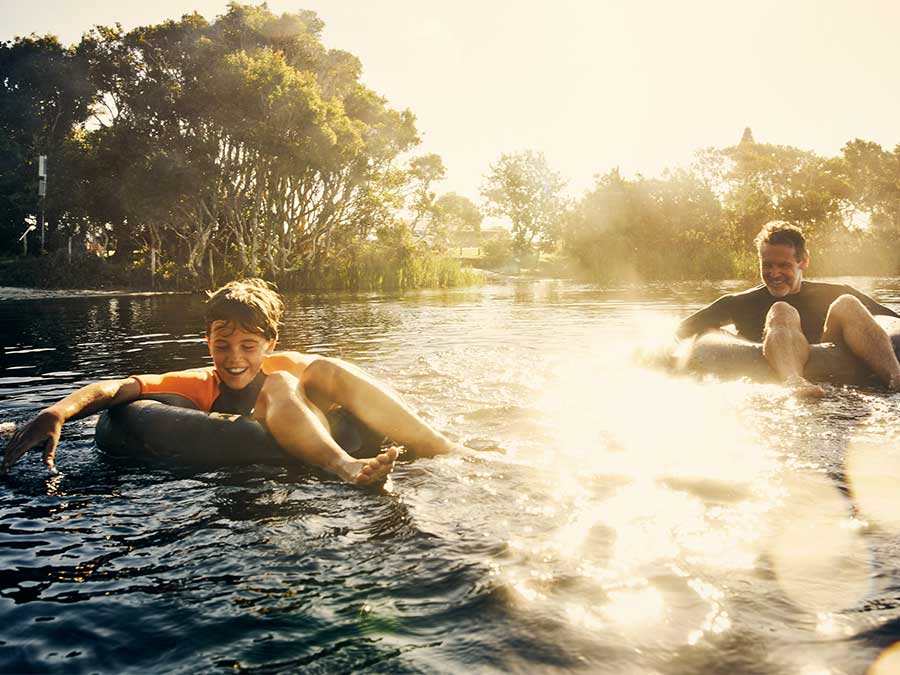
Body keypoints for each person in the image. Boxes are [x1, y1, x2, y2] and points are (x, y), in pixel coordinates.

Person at [1, 279, 463, 483]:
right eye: (222, 345)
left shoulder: (291, 364)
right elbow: (118, 389)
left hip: (305, 420)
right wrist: (55, 410)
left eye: (248, 346)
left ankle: (447, 449)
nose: (234, 359)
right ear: (207, 340)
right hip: (246, 442)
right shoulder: (200, 382)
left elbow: (346, 380)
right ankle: (346, 468)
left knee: (296, 378)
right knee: (277, 386)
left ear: (269, 341)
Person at [676, 221, 900, 398]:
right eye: (767, 265)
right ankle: (794, 381)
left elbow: (891, 321)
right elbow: (680, 332)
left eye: (784, 265)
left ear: (803, 261)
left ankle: (895, 376)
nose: (774, 274)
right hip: (779, 370)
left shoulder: (833, 292)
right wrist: (718, 339)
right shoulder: (738, 303)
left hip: (835, 362)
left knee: (848, 302)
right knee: (781, 309)